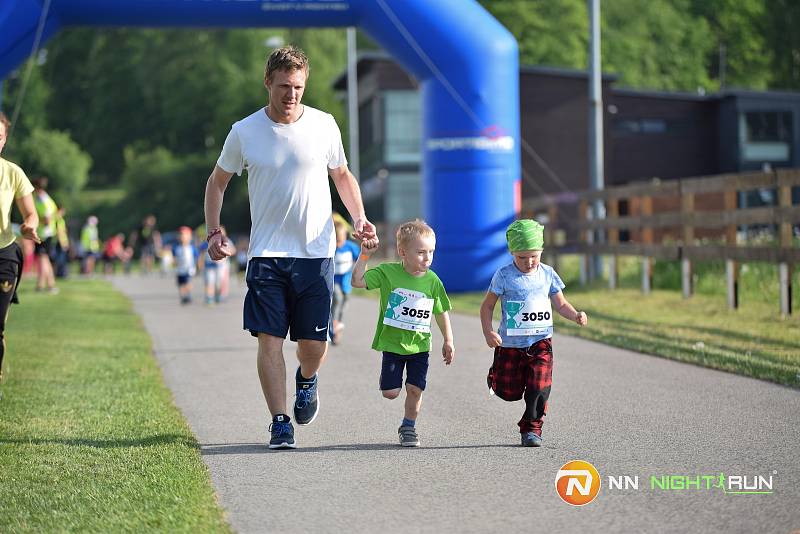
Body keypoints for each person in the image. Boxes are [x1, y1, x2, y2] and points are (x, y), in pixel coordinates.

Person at [204, 45, 378, 449]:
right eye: (284, 86)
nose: (292, 95)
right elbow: (217, 182)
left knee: (314, 346)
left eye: (298, 87)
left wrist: (359, 218)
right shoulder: (244, 131)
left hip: (316, 254)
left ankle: (307, 379)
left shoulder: (324, 125)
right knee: (270, 339)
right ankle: (280, 421)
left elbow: (342, 175)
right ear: (268, 82)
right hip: (266, 254)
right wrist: (214, 232)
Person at [480, 219, 588, 447]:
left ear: (541, 251)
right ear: (512, 253)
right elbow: (487, 305)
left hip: (540, 343)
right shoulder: (504, 275)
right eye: (522, 257)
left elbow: (560, 304)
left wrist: (575, 314)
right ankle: (496, 377)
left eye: (534, 256)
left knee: (540, 386)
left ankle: (532, 428)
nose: (529, 262)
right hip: (510, 344)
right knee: (509, 391)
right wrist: (488, 331)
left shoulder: (547, 274)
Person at [351, 219, 455, 447]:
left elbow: (441, 312)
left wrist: (448, 340)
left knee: (415, 389)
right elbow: (357, 281)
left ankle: (408, 427)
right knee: (391, 392)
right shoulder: (388, 273)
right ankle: (389, 381)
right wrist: (365, 256)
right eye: (420, 252)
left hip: (419, 347)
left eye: (431, 252)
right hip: (392, 345)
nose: (427, 258)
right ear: (402, 252)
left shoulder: (433, 281)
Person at [0, 112, 40, 392]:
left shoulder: (13, 172)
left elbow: (31, 213)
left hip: (4, 254)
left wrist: (29, 225)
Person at [329, 219, 360, 344]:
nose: (338, 244)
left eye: (340, 240)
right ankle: (333, 326)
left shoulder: (351, 247)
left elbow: (360, 259)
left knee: (345, 299)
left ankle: (338, 324)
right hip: (334, 279)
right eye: (336, 241)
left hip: (346, 279)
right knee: (337, 298)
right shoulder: (330, 248)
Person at [32, 177, 58, 293]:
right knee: (45, 259)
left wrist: (34, 220)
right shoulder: (44, 198)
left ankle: (42, 285)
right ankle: (49, 284)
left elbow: (47, 220)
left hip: (44, 234)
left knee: (43, 259)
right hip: (46, 233)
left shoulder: (43, 200)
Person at [199, 226, 235, 305]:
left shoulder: (227, 241)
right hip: (209, 265)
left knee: (219, 282)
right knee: (210, 281)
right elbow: (202, 254)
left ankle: (218, 295)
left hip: (221, 266)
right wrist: (200, 264)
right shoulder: (208, 241)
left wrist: (227, 252)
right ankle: (209, 297)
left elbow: (233, 250)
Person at [172, 226, 199, 304]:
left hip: (189, 269)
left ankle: (188, 295)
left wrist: (197, 266)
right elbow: (174, 257)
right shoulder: (176, 248)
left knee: (188, 282)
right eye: (181, 236)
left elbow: (196, 257)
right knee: (181, 284)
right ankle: (182, 296)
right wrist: (174, 263)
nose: (183, 238)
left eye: (185, 236)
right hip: (180, 269)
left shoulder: (191, 248)